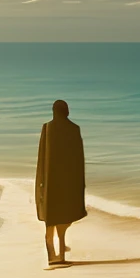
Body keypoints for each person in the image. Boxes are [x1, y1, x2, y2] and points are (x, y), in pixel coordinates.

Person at [35, 100, 86, 265]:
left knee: (50, 220)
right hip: (67, 181)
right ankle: (61, 255)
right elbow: (78, 159)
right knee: (63, 220)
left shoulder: (47, 128)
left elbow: (41, 158)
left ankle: (52, 256)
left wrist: (40, 182)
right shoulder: (74, 129)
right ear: (67, 111)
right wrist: (80, 183)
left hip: (49, 181)